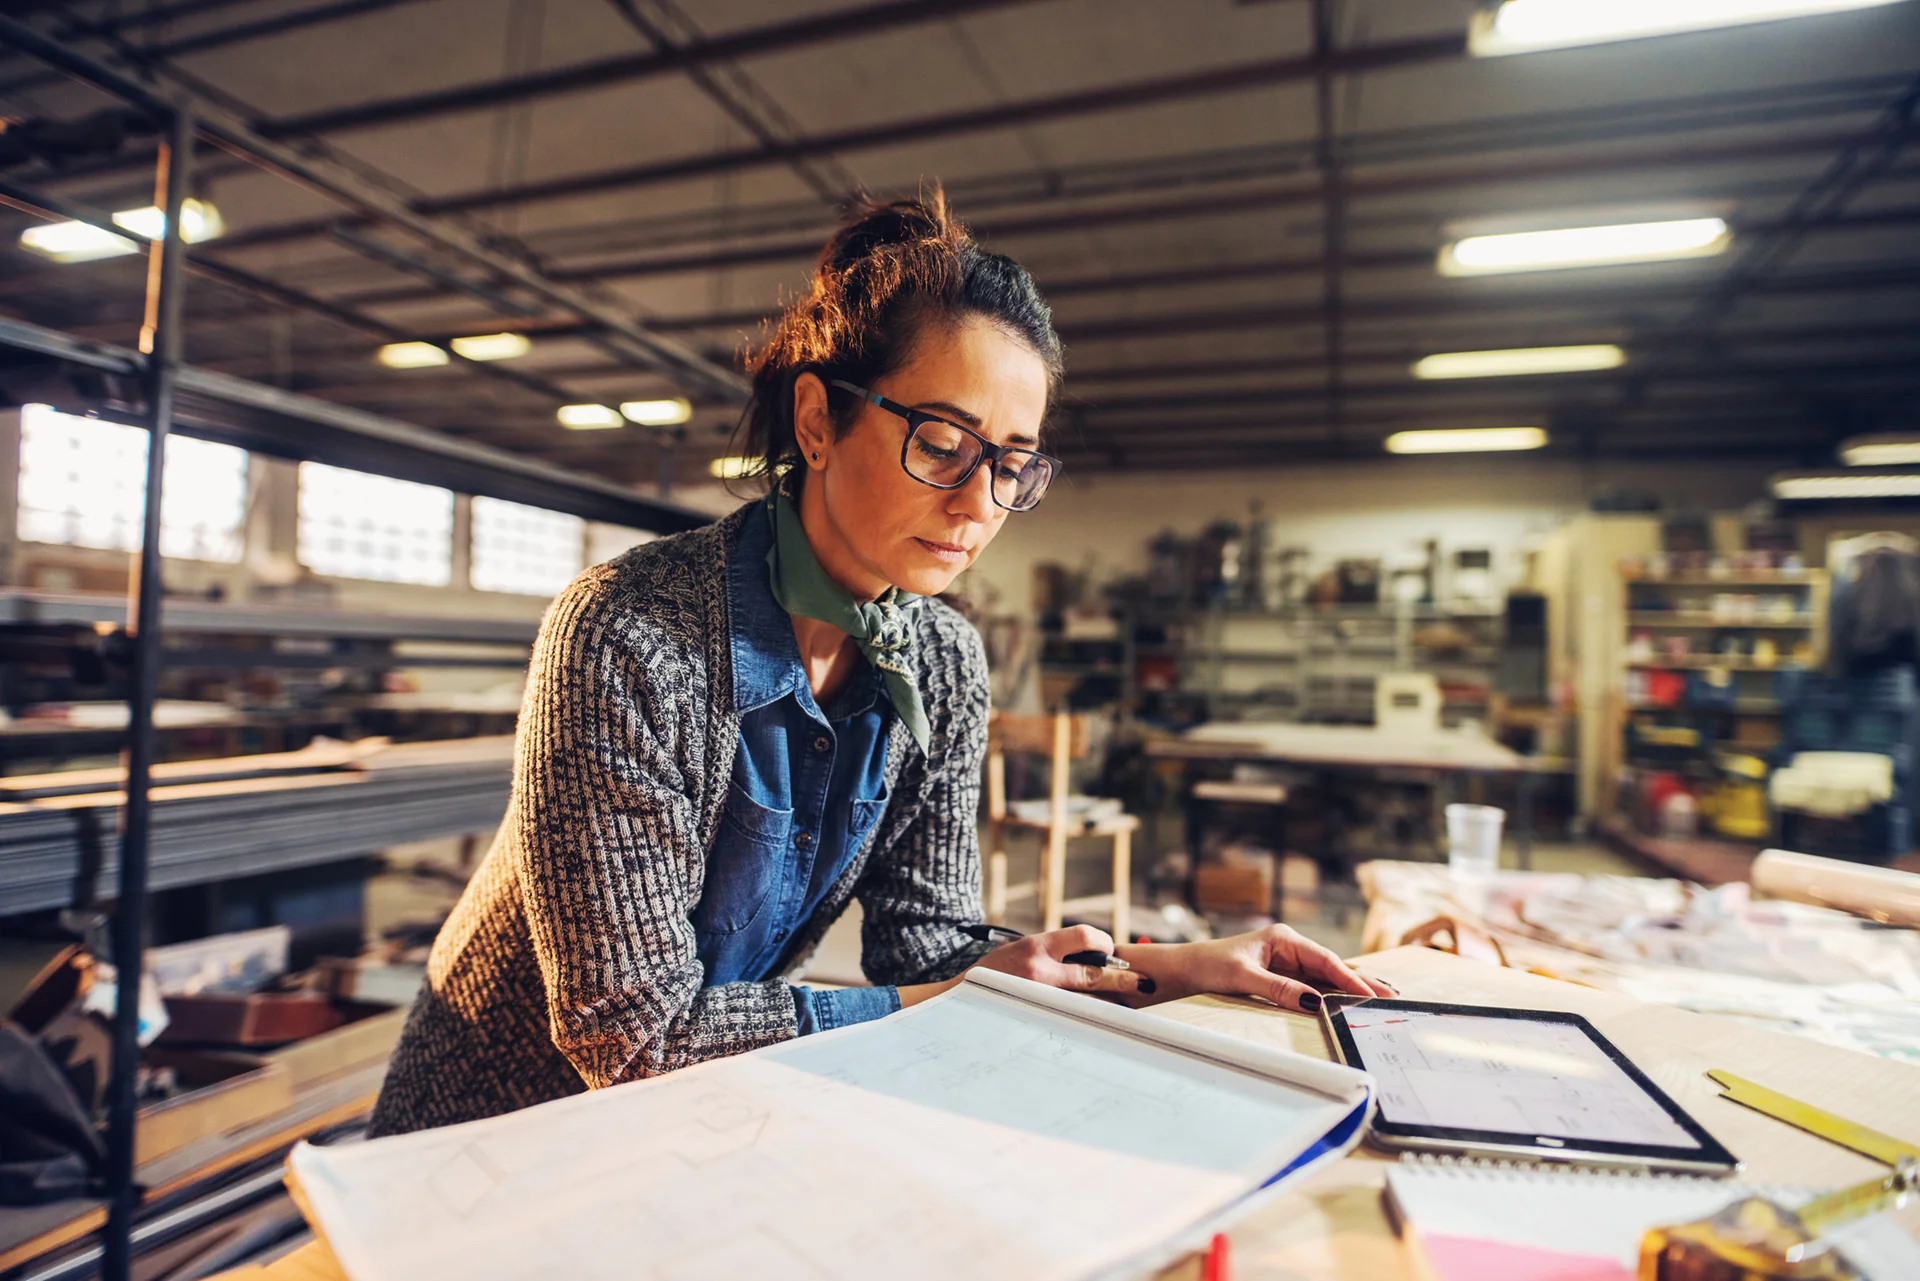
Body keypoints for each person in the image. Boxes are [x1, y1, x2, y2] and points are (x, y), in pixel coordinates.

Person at [368, 190, 1392, 1137]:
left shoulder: (940, 660)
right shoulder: (629, 636)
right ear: (818, 421)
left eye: (1012, 463)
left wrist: (1165, 969)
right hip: (491, 1130)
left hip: (687, 1120)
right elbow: (631, 1036)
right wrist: (938, 1005)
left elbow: (927, 946)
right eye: (944, 442)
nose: (980, 501)